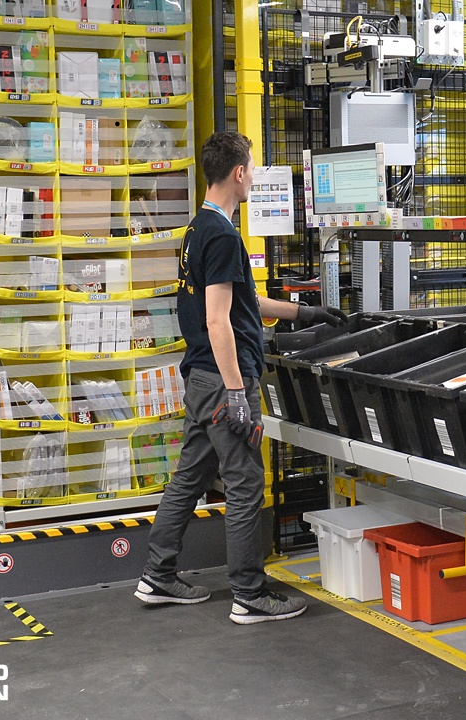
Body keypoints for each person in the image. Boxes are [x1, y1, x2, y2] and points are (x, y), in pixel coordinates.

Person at [135, 131, 346, 624]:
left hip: (201, 378)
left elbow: (241, 301)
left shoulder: (199, 229)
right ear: (238, 173)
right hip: (223, 381)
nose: (253, 175)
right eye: (251, 167)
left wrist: (303, 313)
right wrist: (236, 393)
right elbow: (218, 321)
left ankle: (157, 576)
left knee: (189, 477)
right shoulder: (225, 236)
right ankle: (249, 593)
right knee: (246, 483)